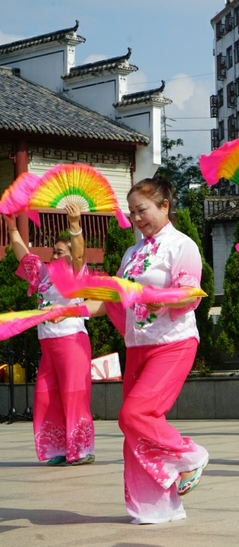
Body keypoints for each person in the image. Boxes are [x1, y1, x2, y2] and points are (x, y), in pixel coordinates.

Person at [107, 177, 208, 524]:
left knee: (133, 414)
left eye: (143, 210)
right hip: (138, 345)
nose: (136, 218)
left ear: (165, 206)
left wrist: (148, 296)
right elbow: (118, 297)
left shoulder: (182, 246)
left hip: (172, 343)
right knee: (137, 427)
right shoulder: (132, 254)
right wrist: (78, 298)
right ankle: (154, 507)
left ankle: (190, 454)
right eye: (132, 212)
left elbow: (189, 294)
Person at [4, 206, 95, 466]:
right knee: (46, 395)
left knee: (73, 394)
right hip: (49, 345)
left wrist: (74, 224)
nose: (54, 255)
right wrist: (11, 226)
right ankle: (58, 449)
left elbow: (79, 254)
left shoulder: (77, 275)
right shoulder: (44, 275)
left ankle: (81, 450)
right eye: (53, 251)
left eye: (60, 252)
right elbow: (23, 255)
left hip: (72, 342)